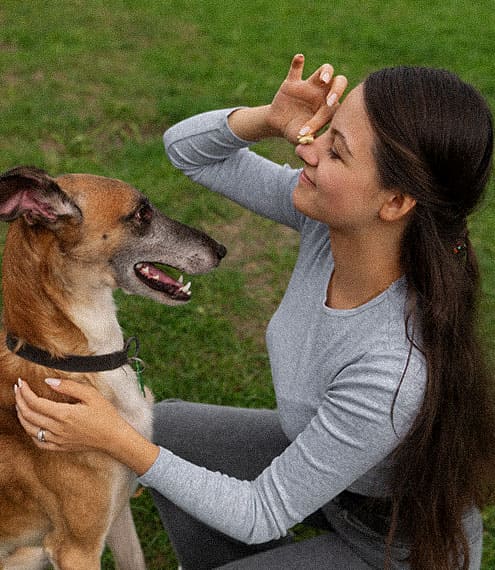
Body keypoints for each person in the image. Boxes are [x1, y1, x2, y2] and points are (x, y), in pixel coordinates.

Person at [14, 54, 495, 570]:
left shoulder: (392, 369)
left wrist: (115, 438)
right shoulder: (332, 225)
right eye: (324, 131)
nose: (308, 149)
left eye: (337, 152)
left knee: (148, 444)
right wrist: (267, 117)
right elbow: (189, 152)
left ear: (395, 203)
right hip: (336, 482)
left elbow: (260, 513)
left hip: (395, 549)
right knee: (170, 429)